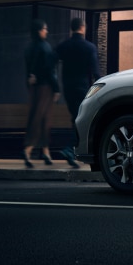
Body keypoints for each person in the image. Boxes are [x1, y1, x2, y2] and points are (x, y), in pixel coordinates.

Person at [55, 16, 101, 168]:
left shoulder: (64, 46)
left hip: (67, 88)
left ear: (72, 28)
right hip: (83, 88)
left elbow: (51, 62)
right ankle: (70, 148)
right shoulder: (89, 47)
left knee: (75, 118)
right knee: (81, 119)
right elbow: (95, 72)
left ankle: (73, 149)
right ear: (83, 28)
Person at [22, 19, 60, 168]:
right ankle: (28, 149)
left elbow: (28, 69)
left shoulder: (29, 47)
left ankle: (46, 152)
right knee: (41, 118)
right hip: (46, 88)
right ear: (39, 31)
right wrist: (56, 88)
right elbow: (50, 70)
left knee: (41, 118)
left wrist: (29, 79)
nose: (47, 31)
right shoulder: (45, 47)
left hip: (34, 88)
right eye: (45, 29)